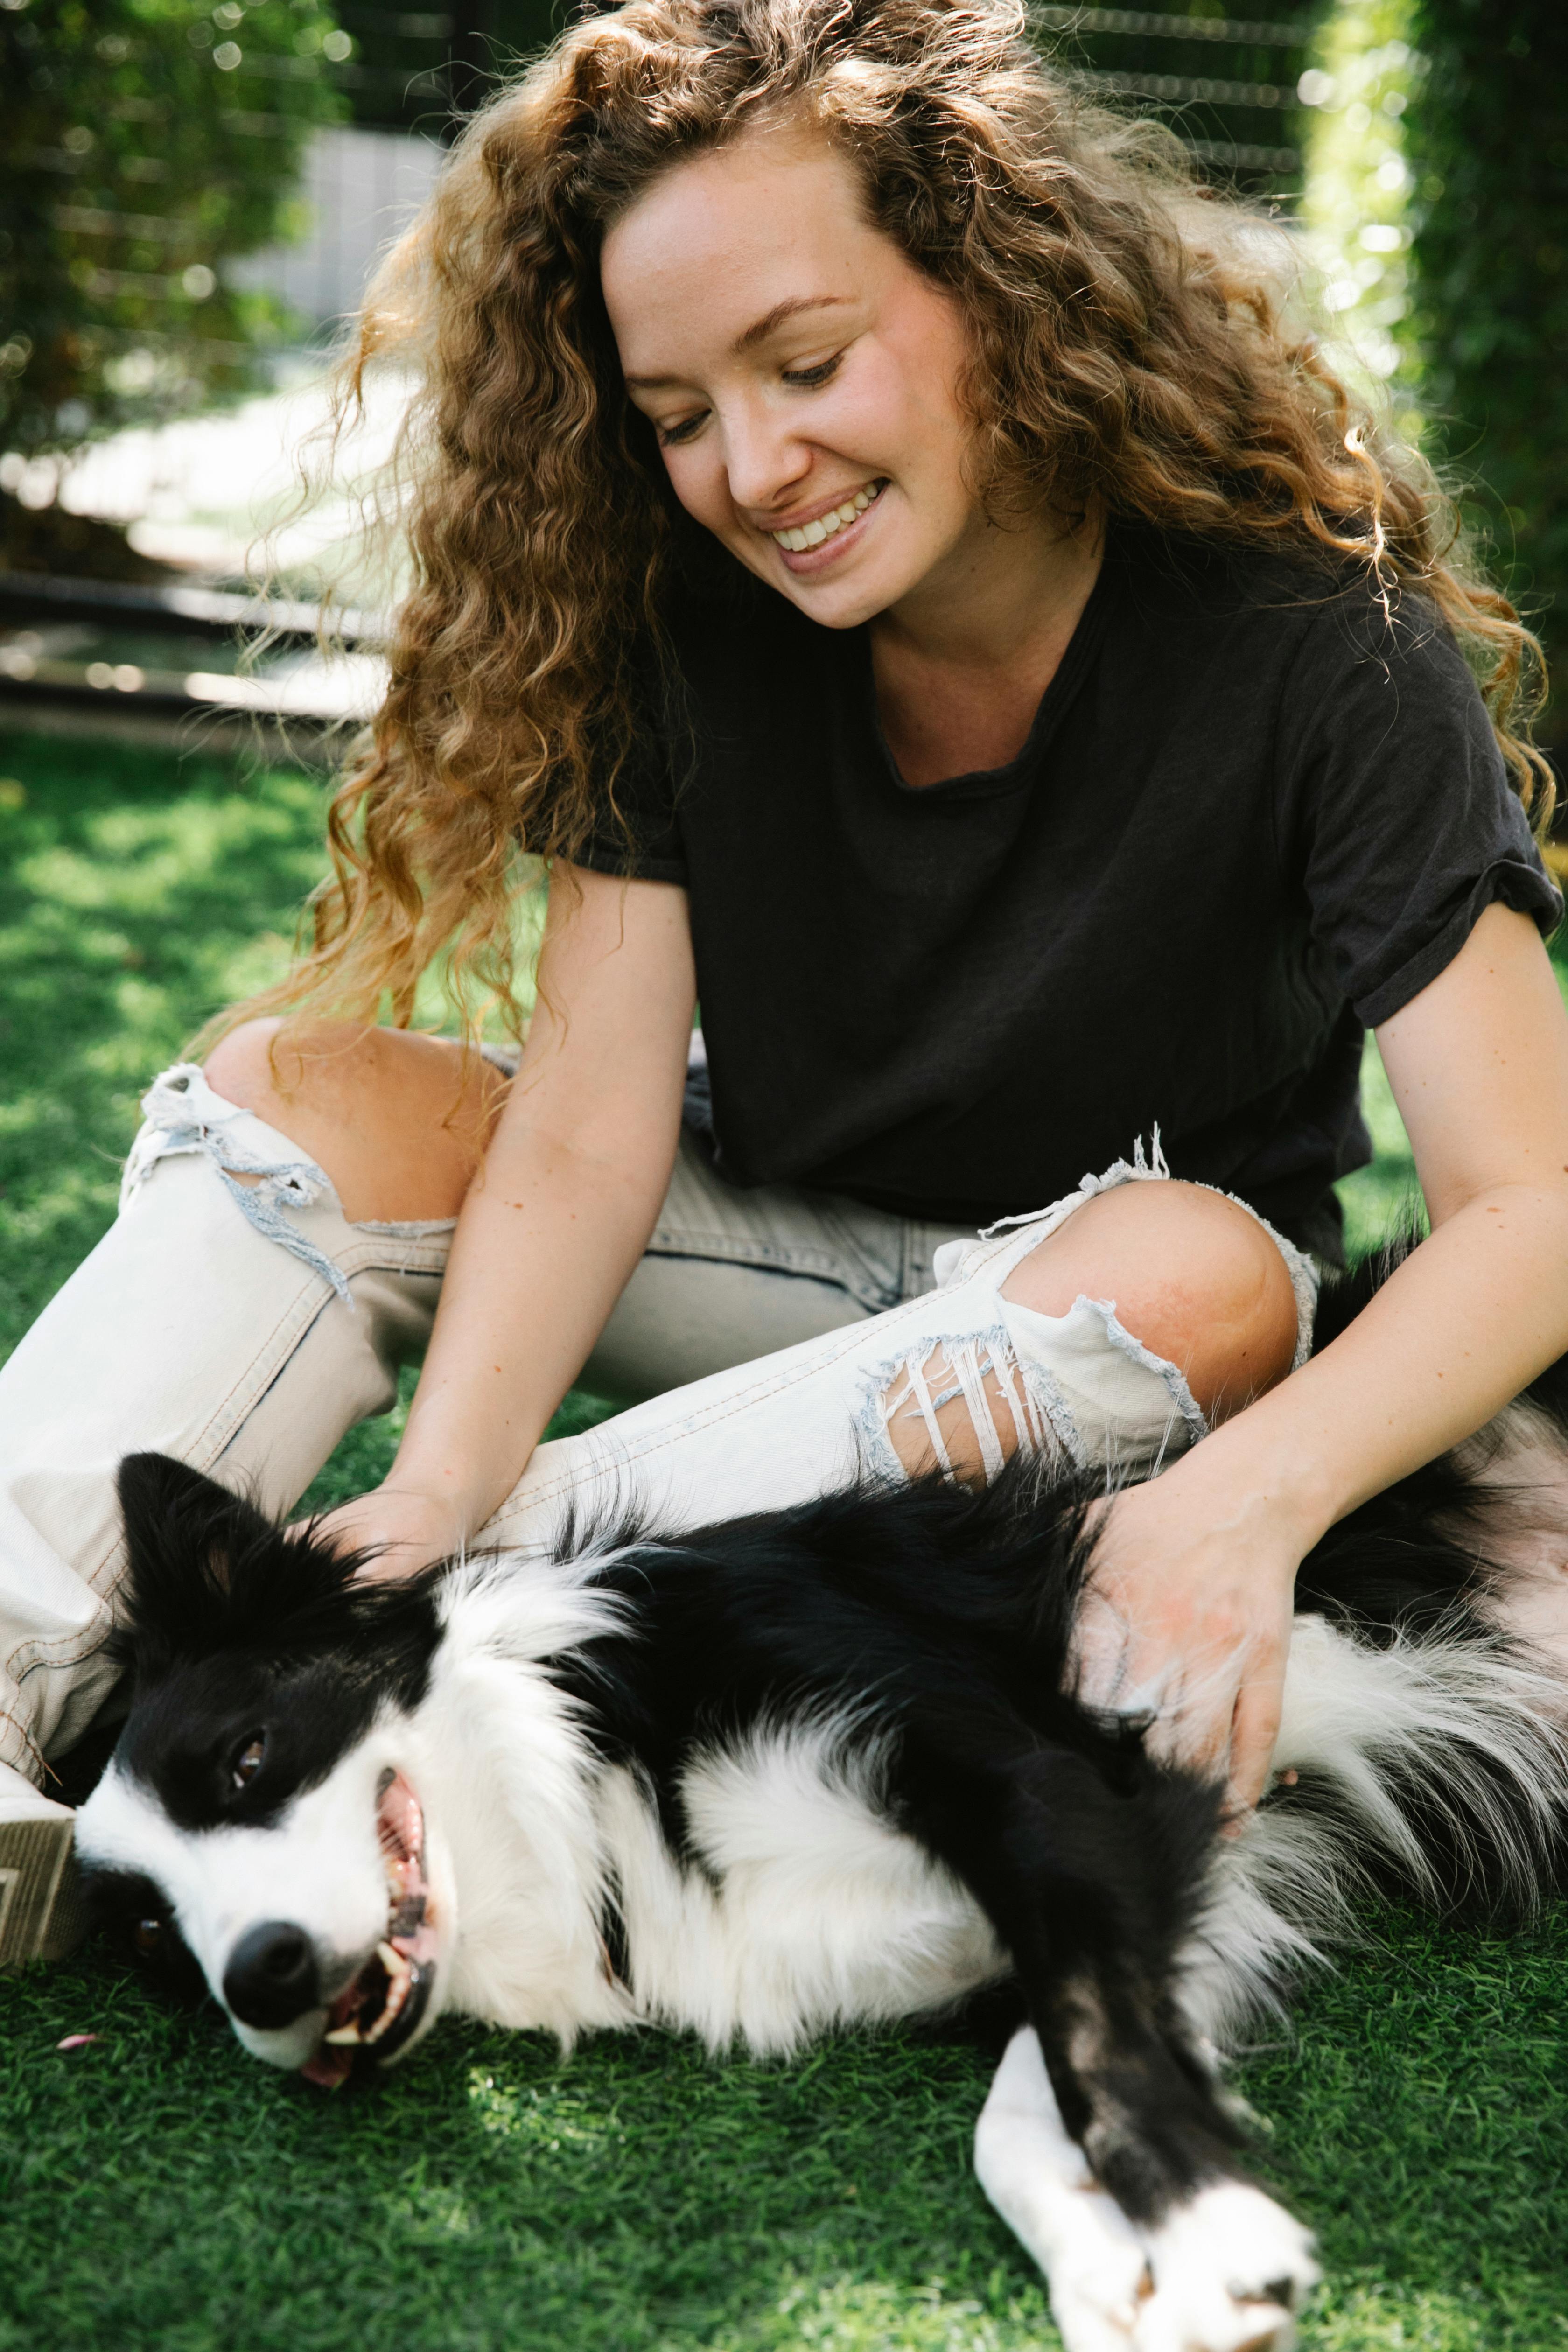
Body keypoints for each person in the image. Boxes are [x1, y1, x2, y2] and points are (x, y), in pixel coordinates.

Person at [4, 0, 1568, 1971]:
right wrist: (438, 1473)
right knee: (298, 1085)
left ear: (1000, 284)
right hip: (779, 1266)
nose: (755, 465)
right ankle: (20, 1698)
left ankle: (436, 1629)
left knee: (1202, 1265)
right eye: (677, 417)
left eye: (808, 363)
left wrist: (1247, 1509)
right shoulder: (676, 618)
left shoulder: (1319, 645)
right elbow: (585, 1127)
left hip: (1105, 1348)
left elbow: (1533, 1210)